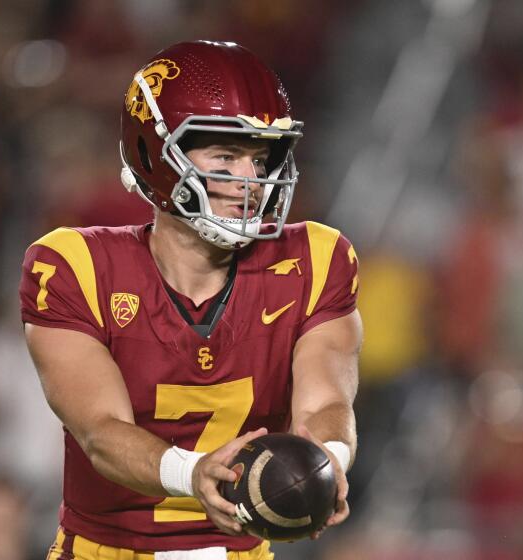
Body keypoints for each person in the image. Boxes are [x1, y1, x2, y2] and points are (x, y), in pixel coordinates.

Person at [19, 40, 362, 559]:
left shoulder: (317, 258)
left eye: (260, 158)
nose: (251, 182)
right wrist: (193, 472)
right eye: (226, 155)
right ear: (153, 155)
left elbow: (327, 401)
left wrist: (329, 455)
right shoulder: (74, 266)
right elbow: (101, 433)